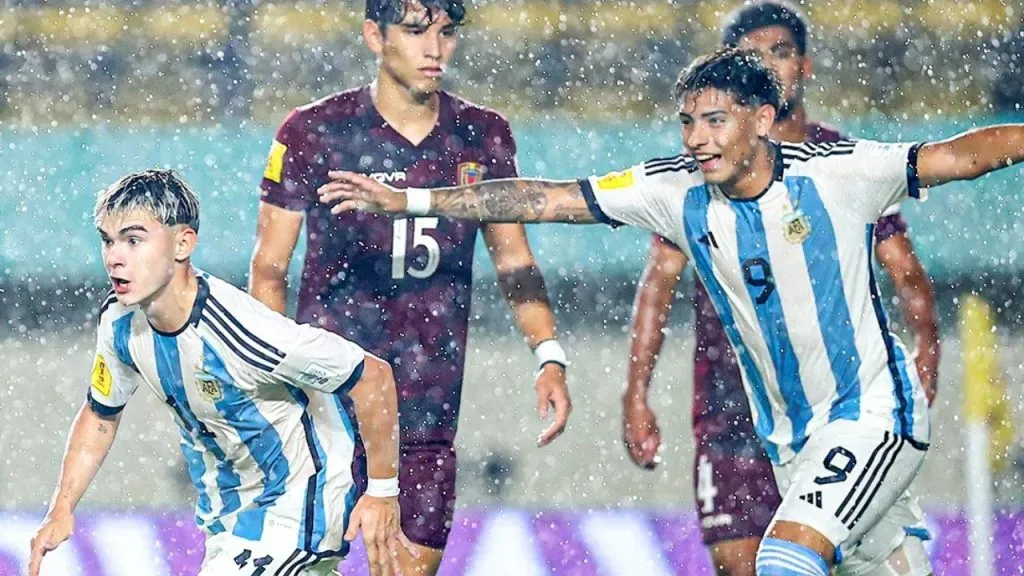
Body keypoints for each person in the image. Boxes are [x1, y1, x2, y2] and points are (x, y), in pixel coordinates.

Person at [318, 45, 1024, 574]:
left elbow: (961, 155)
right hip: (792, 442)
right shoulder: (673, 191)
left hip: (874, 413)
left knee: (783, 562)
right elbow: (546, 198)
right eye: (688, 122)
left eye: (715, 120)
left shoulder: (839, 174)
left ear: (765, 119)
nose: (696, 138)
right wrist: (411, 200)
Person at [248, 1, 572, 573]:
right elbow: (270, 268)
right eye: (417, 31)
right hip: (325, 413)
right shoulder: (313, 132)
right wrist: (270, 376)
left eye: (446, 33)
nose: (435, 48)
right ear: (375, 35)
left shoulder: (481, 136)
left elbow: (514, 259)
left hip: (424, 418)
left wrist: (548, 354)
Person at [620, 3, 939, 575]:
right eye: (751, 56)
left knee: (821, 559)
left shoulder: (838, 164)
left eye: (779, 52)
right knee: (747, 566)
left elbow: (906, 274)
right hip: (730, 408)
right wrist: (635, 390)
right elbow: (658, 282)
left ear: (804, 66)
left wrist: (927, 352)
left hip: (836, 404)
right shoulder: (702, 169)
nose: (767, 64)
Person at [28, 170, 414, 576]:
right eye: (107, 240)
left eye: (133, 239)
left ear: (183, 243)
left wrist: (383, 492)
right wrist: (62, 507)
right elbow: (101, 415)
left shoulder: (243, 331)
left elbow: (372, 376)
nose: (114, 256)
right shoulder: (120, 323)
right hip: (228, 522)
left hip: (298, 506)